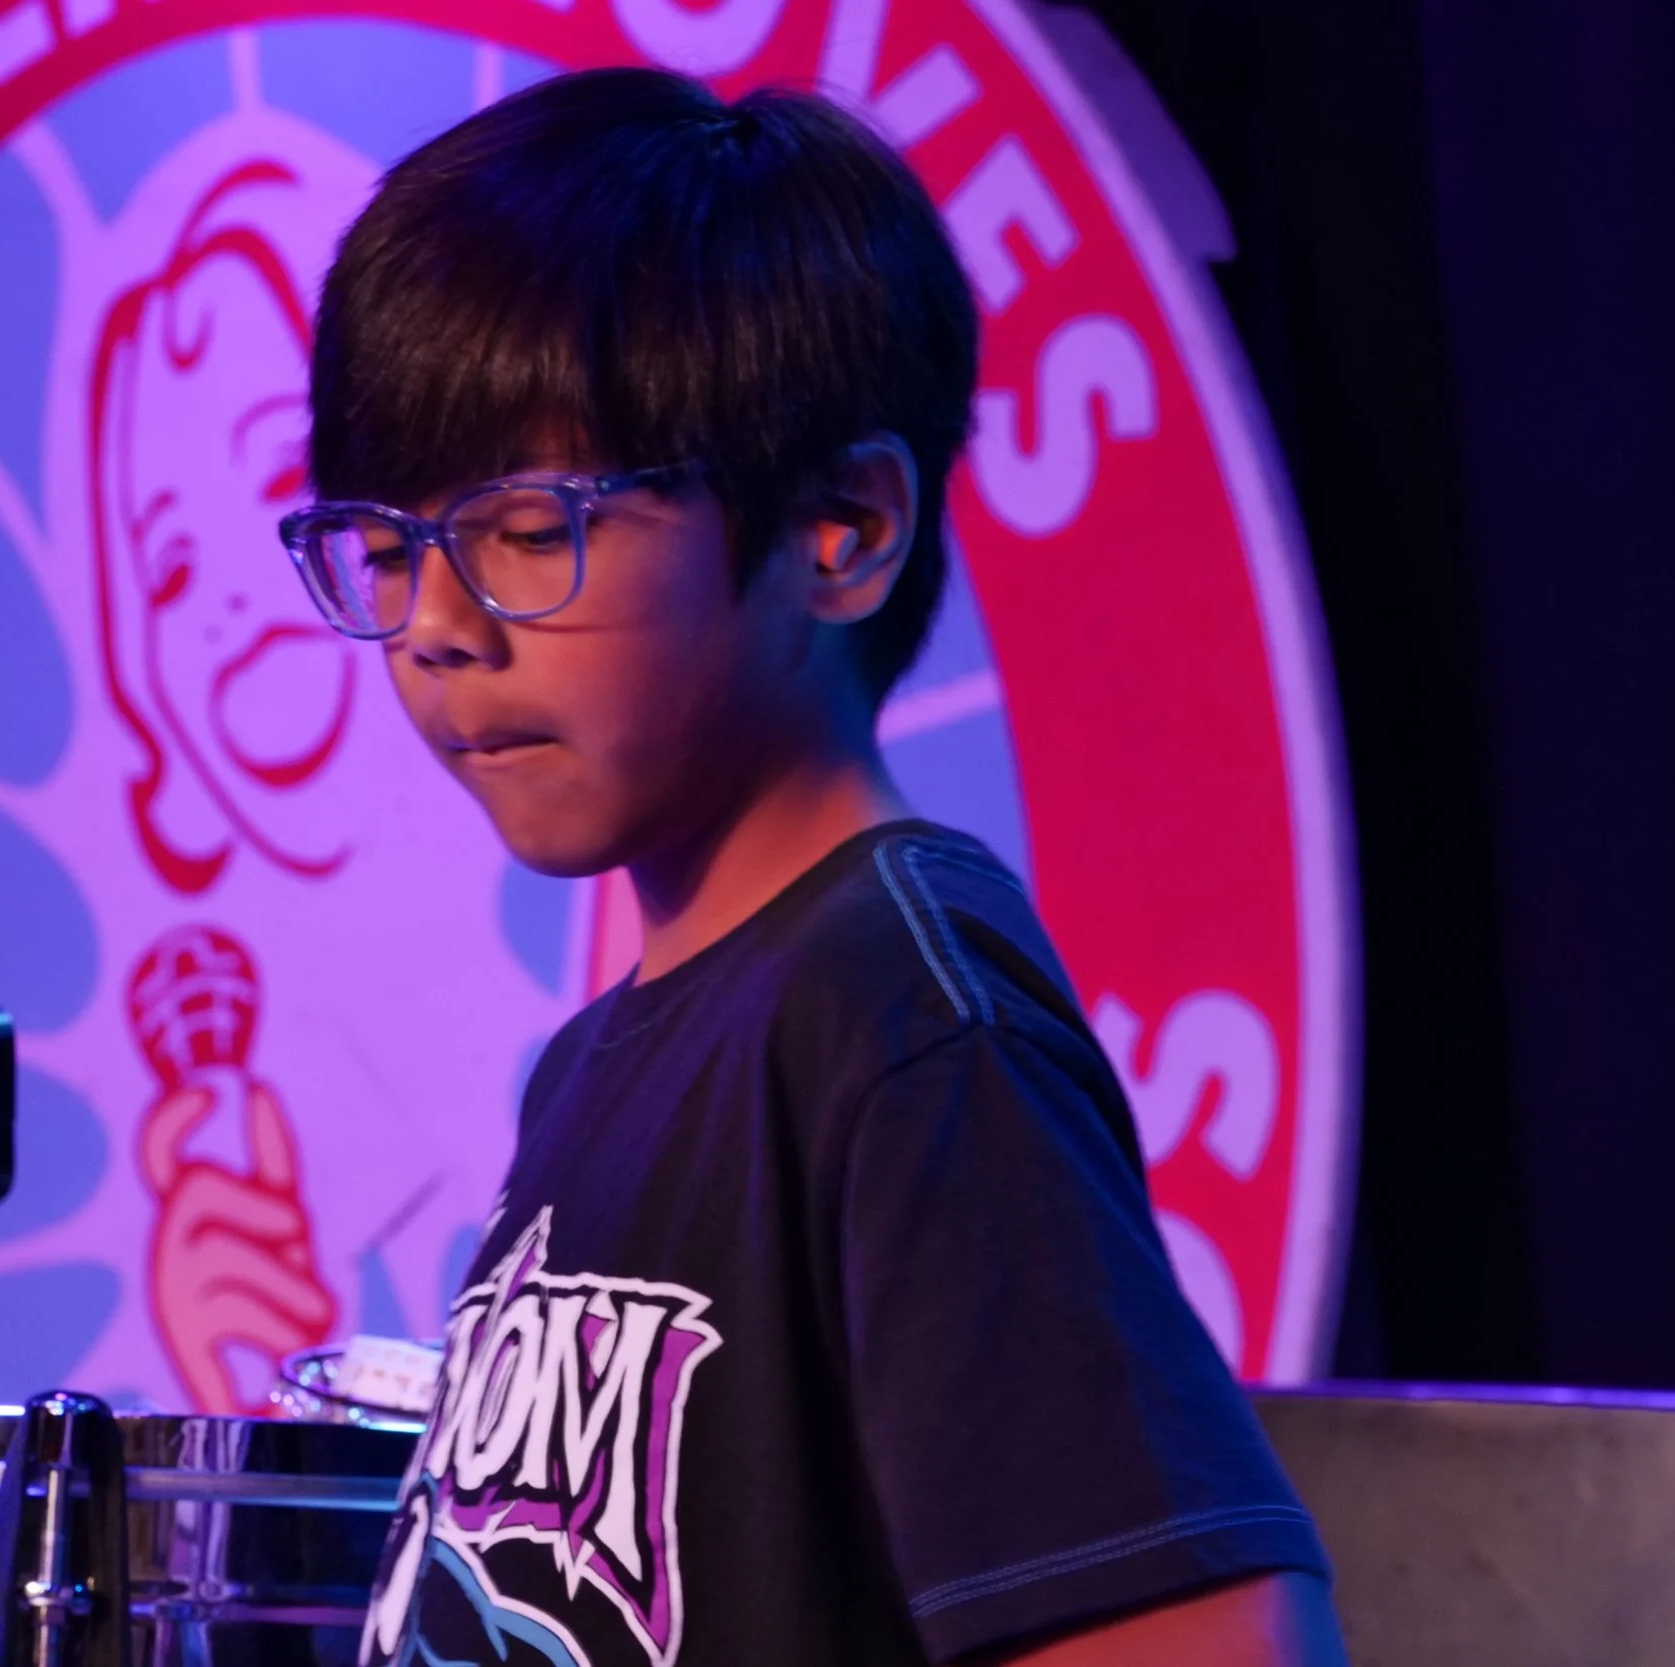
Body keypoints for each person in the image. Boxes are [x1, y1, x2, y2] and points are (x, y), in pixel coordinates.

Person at [281, 66, 1348, 1667]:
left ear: (840, 526)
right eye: (384, 545)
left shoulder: (901, 1016)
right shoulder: (601, 1062)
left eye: (521, 527)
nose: (435, 622)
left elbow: (1207, 1637)